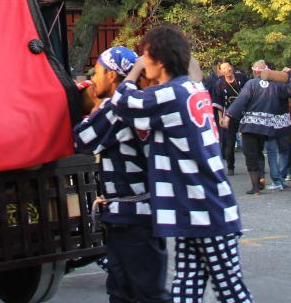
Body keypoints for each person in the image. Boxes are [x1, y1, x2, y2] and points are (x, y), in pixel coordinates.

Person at [109, 25, 252, 303]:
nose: (143, 59)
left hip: (207, 209)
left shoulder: (172, 94)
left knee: (230, 290)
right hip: (197, 208)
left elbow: (122, 103)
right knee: (186, 286)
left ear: (159, 60)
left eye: (145, 55)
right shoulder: (193, 88)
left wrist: (134, 71)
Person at [74, 46, 168, 303]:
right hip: (129, 217)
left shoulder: (121, 107)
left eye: (97, 72)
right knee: (120, 291)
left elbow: (81, 140)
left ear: (113, 75)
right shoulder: (137, 101)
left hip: (134, 220)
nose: (93, 79)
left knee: (148, 294)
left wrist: (84, 110)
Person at [227, 61, 291, 195]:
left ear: (255, 72)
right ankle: (278, 180)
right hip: (273, 126)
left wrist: (228, 115)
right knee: (276, 152)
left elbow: (241, 100)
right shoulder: (278, 84)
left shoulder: (251, 84)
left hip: (252, 125)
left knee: (258, 154)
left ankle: (260, 182)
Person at [211, 62, 246, 176]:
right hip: (229, 116)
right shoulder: (219, 83)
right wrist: (221, 117)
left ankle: (256, 165)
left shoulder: (241, 78)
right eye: (224, 68)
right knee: (229, 143)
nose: (227, 69)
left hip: (244, 113)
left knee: (249, 139)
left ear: (232, 67)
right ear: (221, 71)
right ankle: (230, 166)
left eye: (228, 67)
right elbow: (219, 101)